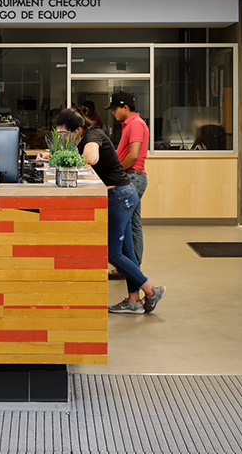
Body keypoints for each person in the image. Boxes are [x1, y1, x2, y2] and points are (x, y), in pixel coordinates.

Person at [51, 107, 166, 315]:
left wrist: (72, 157)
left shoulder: (92, 136)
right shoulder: (88, 135)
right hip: (124, 193)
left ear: (77, 129)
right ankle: (133, 300)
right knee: (127, 253)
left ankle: (151, 290)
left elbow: (91, 158)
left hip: (119, 197)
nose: (64, 139)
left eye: (66, 134)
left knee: (112, 252)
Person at [110, 92, 149, 264]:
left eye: (115, 109)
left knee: (126, 224)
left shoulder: (136, 124)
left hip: (132, 177)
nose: (113, 113)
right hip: (131, 177)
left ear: (125, 108)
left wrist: (116, 172)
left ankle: (131, 266)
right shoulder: (129, 124)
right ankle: (132, 265)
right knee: (132, 223)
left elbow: (133, 156)